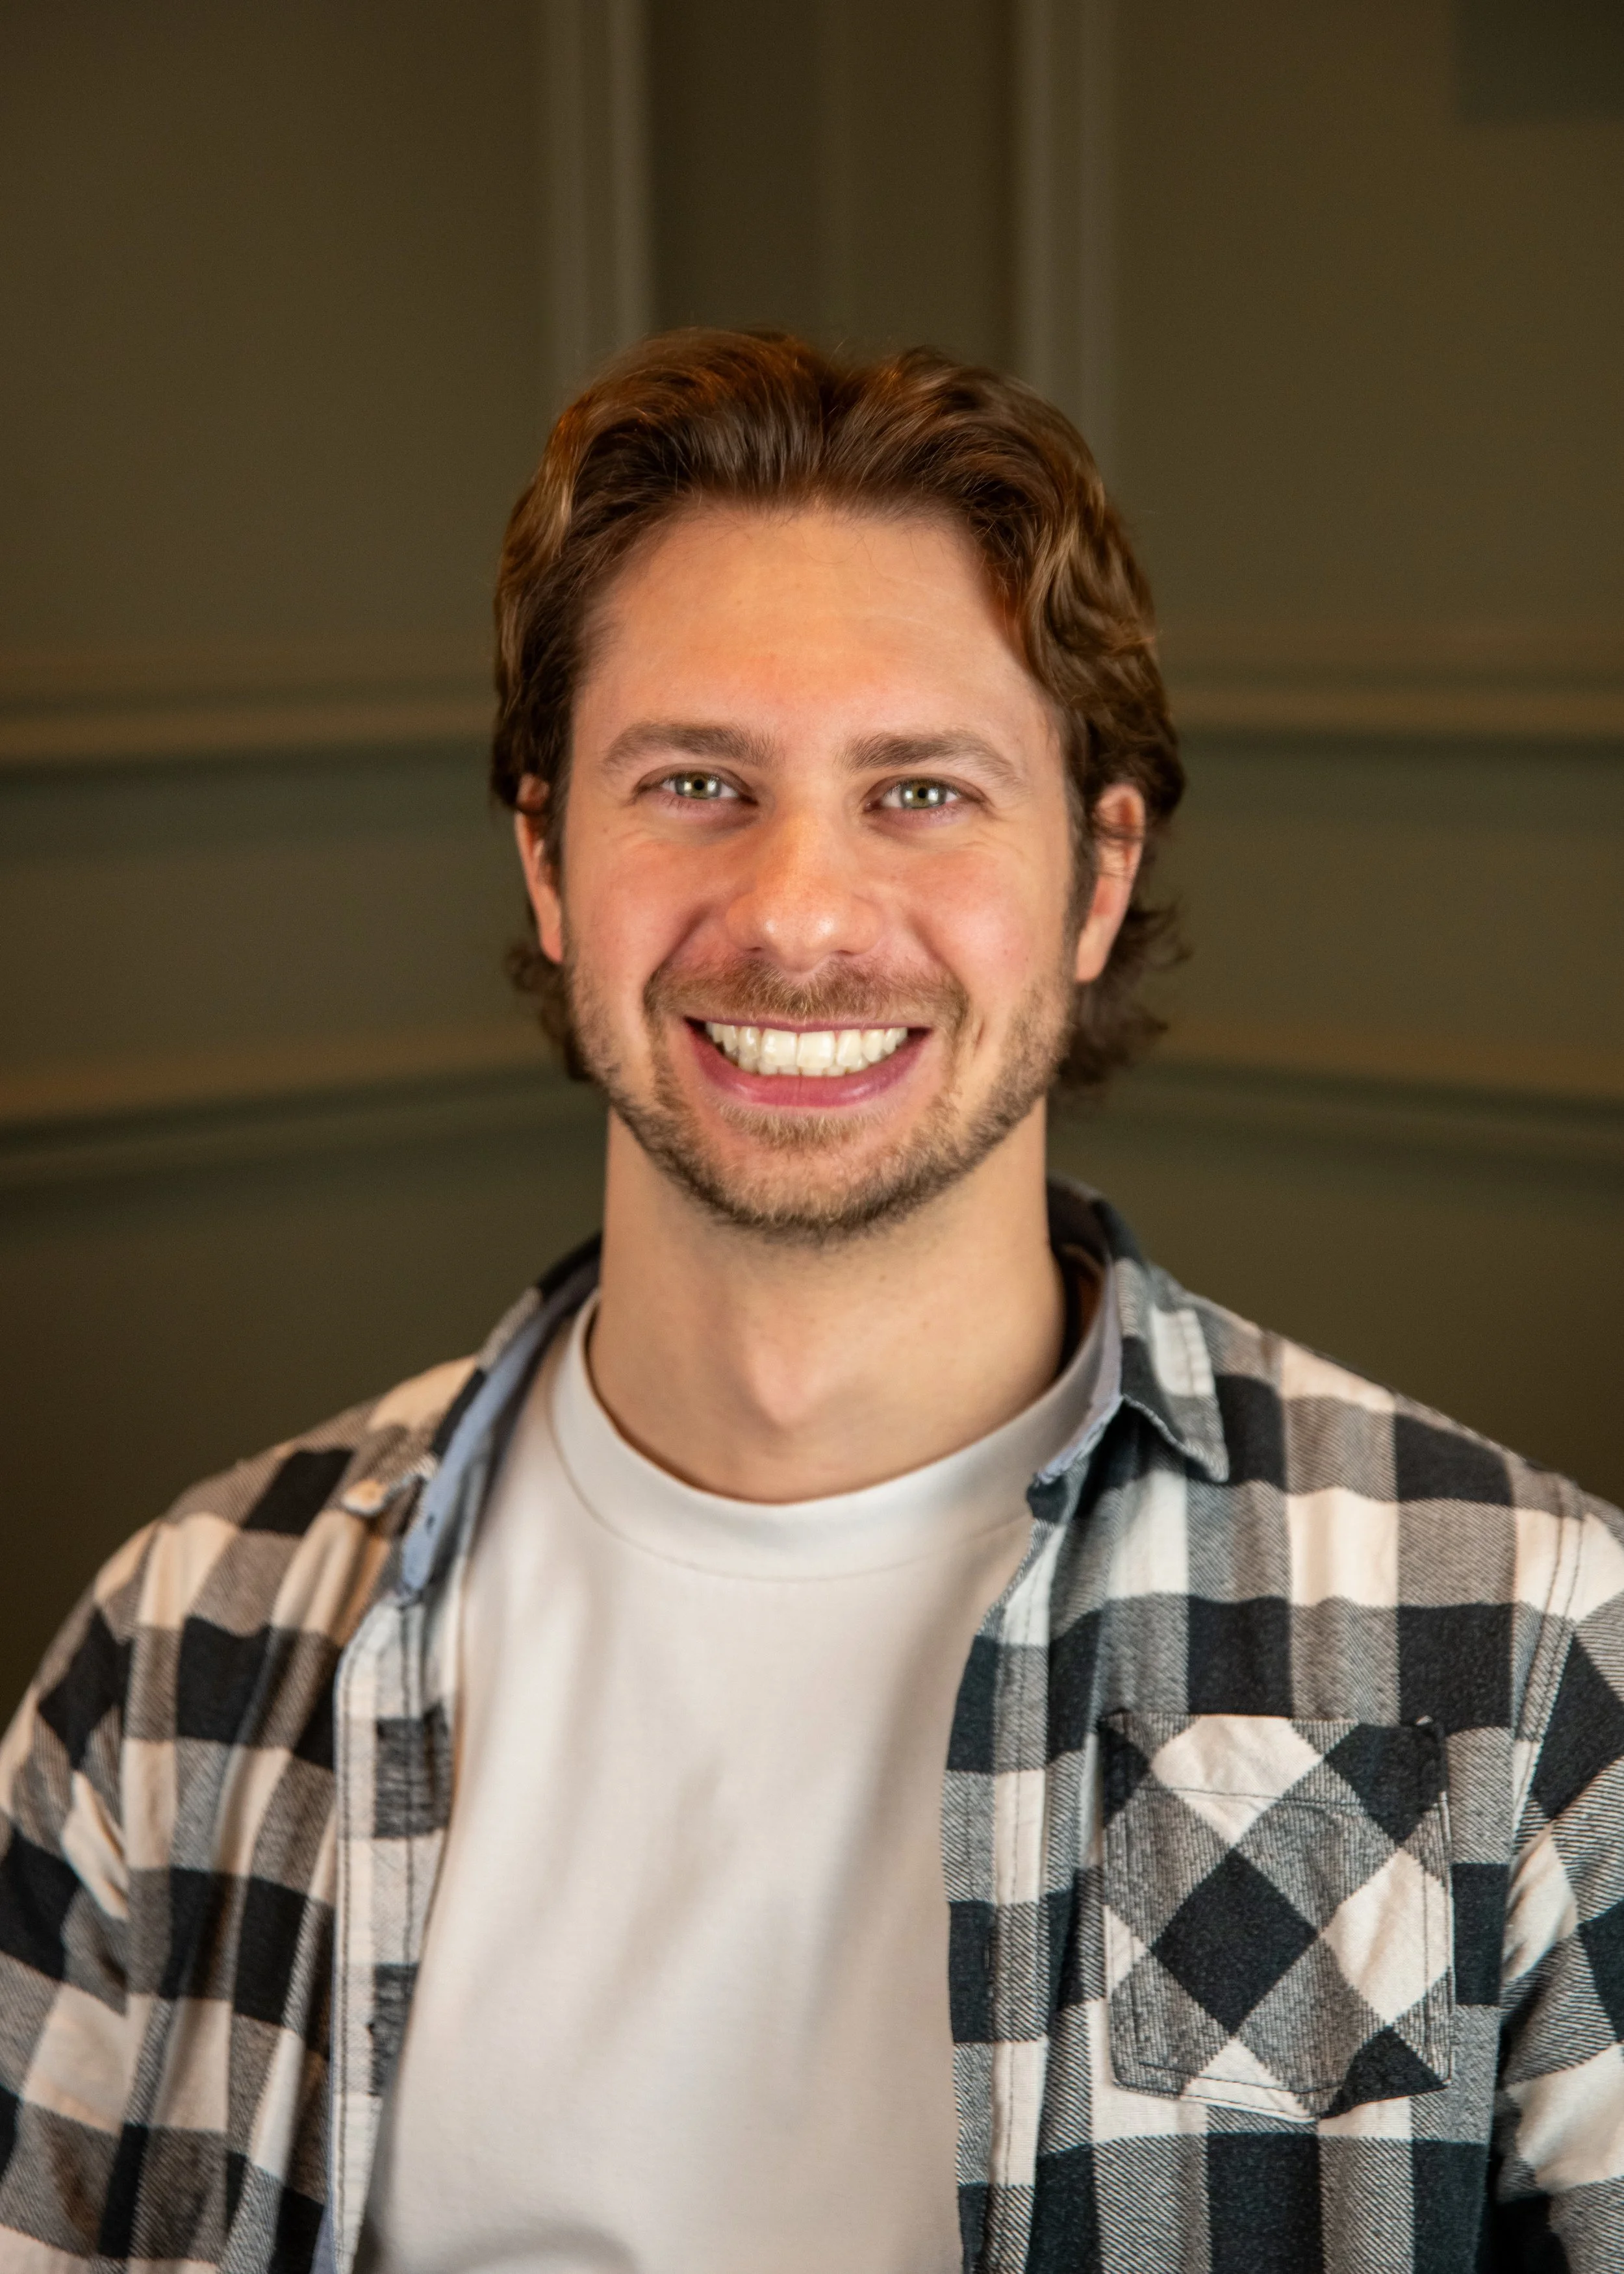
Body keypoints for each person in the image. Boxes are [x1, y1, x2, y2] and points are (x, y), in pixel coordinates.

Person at [1, 332, 1620, 2274]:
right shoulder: (185, 1647)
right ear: (546, 856)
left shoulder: (1524, 1661)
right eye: (694, 780)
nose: (799, 913)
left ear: (1095, 878)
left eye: (921, 792)